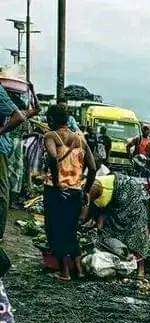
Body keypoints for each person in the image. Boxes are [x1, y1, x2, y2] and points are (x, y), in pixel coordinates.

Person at [43, 104, 96, 282]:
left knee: (56, 229)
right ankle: (79, 270)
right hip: (76, 191)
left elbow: (52, 156)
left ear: (51, 120)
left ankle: (65, 272)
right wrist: (86, 190)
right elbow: (93, 168)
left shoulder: (51, 136)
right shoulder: (81, 139)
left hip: (56, 191)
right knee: (71, 230)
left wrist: (57, 182)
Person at [88, 171, 150, 278]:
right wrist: (98, 227)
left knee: (138, 235)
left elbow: (102, 209)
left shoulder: (133, 196)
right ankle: (124, 259)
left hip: (134, 204)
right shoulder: (101, 186)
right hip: (119, 204)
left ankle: (140, 269)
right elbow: (103, 210)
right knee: (108, 232)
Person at [0, 83, 38, 240]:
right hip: (10, 145)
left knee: (5, 183)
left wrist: (1, 131)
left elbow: (22, 115)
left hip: (6, 146)